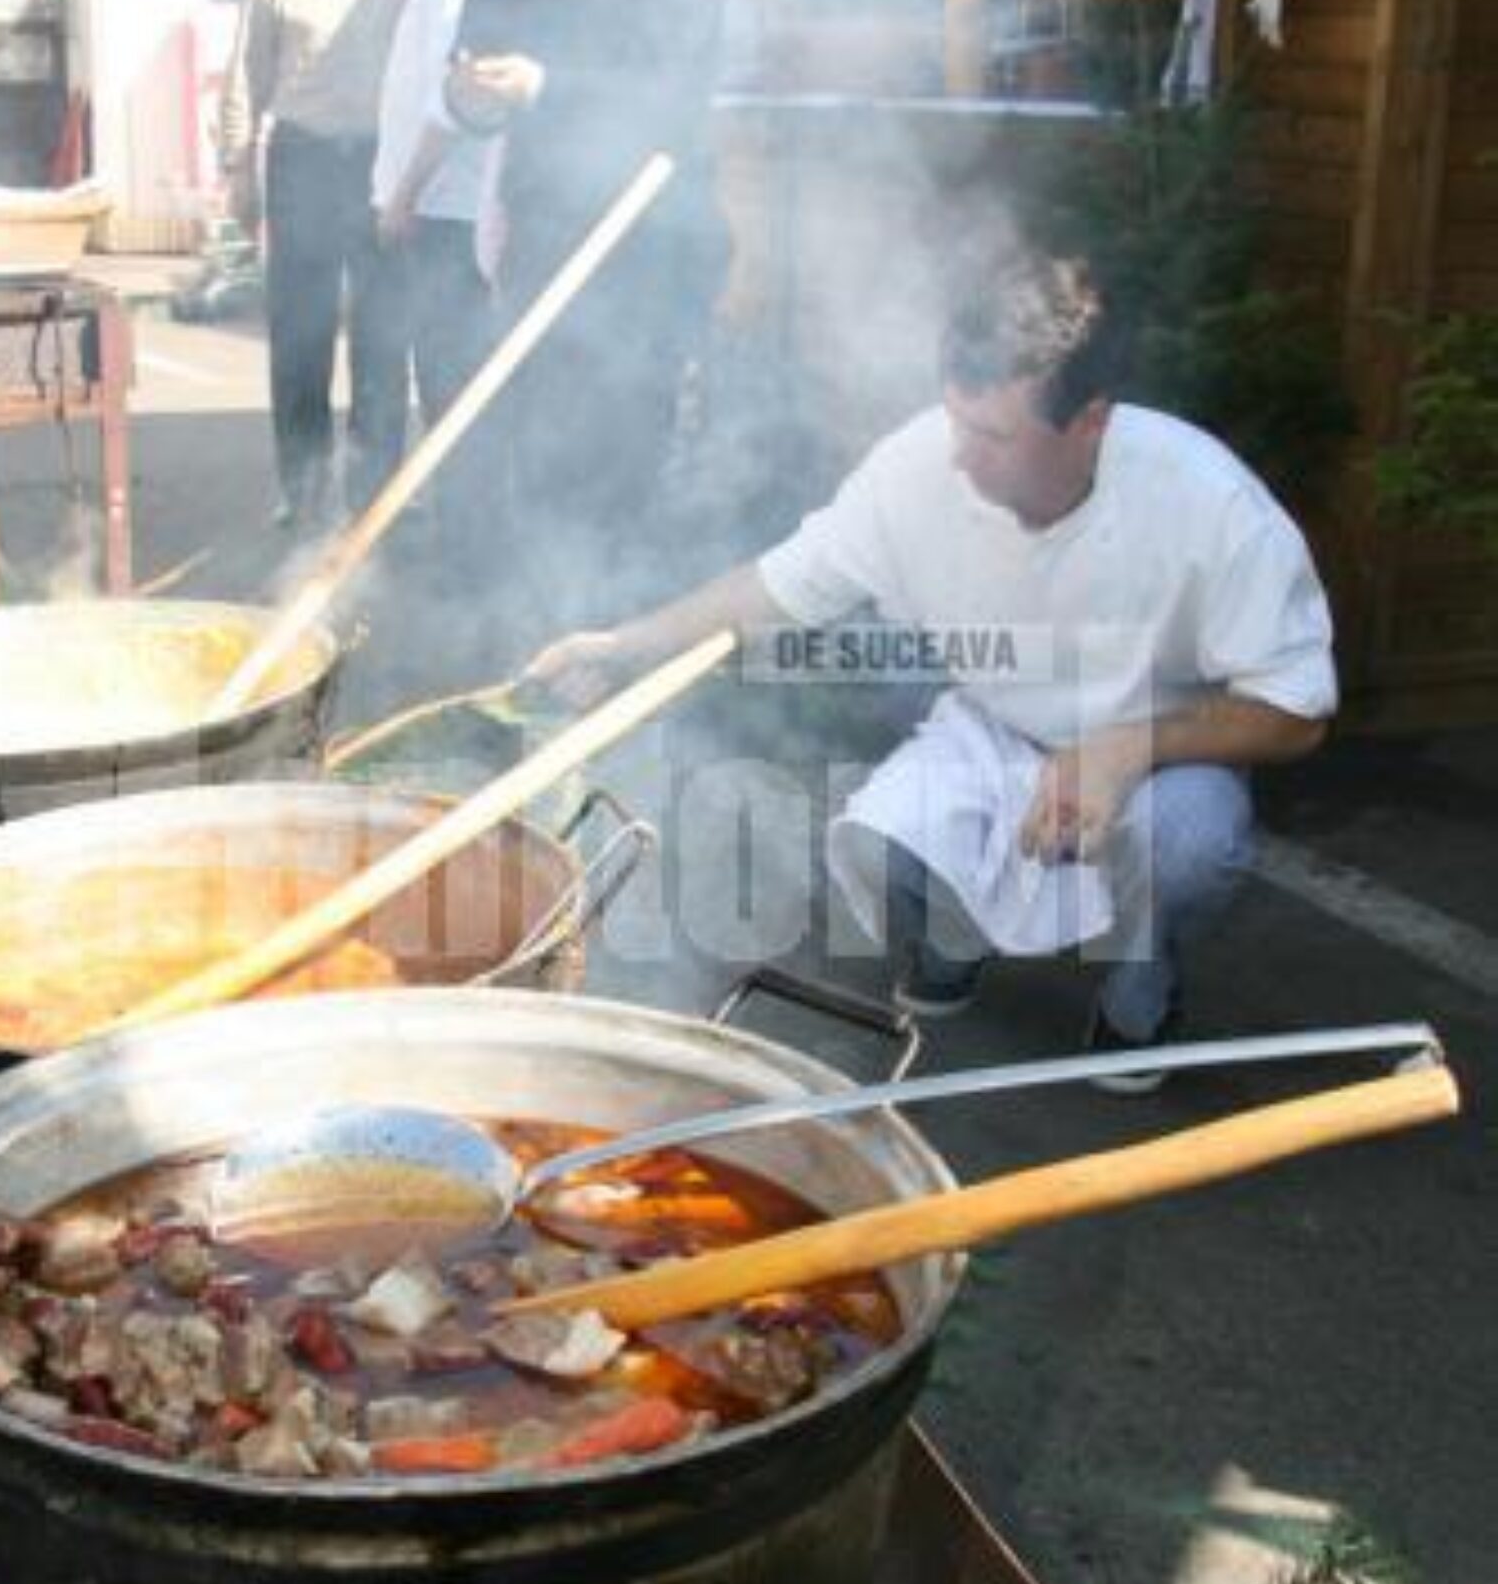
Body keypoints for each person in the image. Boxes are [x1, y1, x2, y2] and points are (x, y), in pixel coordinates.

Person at [533, 247, 1337, 1089]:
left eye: (993, 435)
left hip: (1154, 750)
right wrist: (625, 645)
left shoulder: (1210, 503)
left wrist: (1121, 748)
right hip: (994, 726)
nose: (962, 458)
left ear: (1090, 423)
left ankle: (1143, 986)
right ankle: (953, 941)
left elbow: (1297, 709)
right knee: (874, 834)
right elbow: (778, 587)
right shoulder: (920, 465)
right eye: (958, 420)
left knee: (1192, 842)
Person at [445, 0, 728, 627]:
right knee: (536, 443)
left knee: (624, 452)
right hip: (540, 229)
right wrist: (470, 94)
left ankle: (617, 646)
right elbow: (476, 77)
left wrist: (545, 86)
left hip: (647, 236)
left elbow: (678, 89)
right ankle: (547, 635)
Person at [218, 0, 417, 530]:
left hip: (381, 166)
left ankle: (374, 494)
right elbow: (246, 76)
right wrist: (238, 168)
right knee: (300, 332)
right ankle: (301, 491)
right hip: (301, 160)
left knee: (382, 332)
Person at [349, 0, 496, 536]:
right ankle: (454, 523)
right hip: (435, 206)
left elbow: (452, 100)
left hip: (442, 213)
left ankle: (466, 536)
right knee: (438, 370)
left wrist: (404, 194)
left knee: (448, 376)